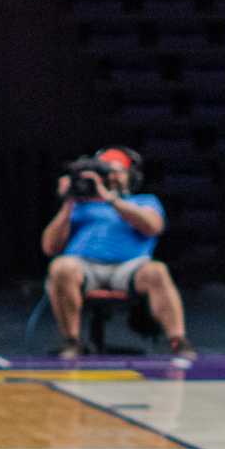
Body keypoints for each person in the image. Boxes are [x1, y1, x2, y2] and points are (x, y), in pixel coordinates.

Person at [40, 145, 193, 359]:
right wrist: (68, 202)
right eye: (106, 171)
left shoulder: (144, 201)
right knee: (60, 267)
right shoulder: (80, 206)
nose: (112, 176)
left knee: (157, 271)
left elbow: (153, 226)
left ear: (130, 175)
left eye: (118, 171)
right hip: (83, 266)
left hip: (129, 267)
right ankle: (72, 342)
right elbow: (49, 247)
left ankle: (179, 341)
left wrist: (112, 199)